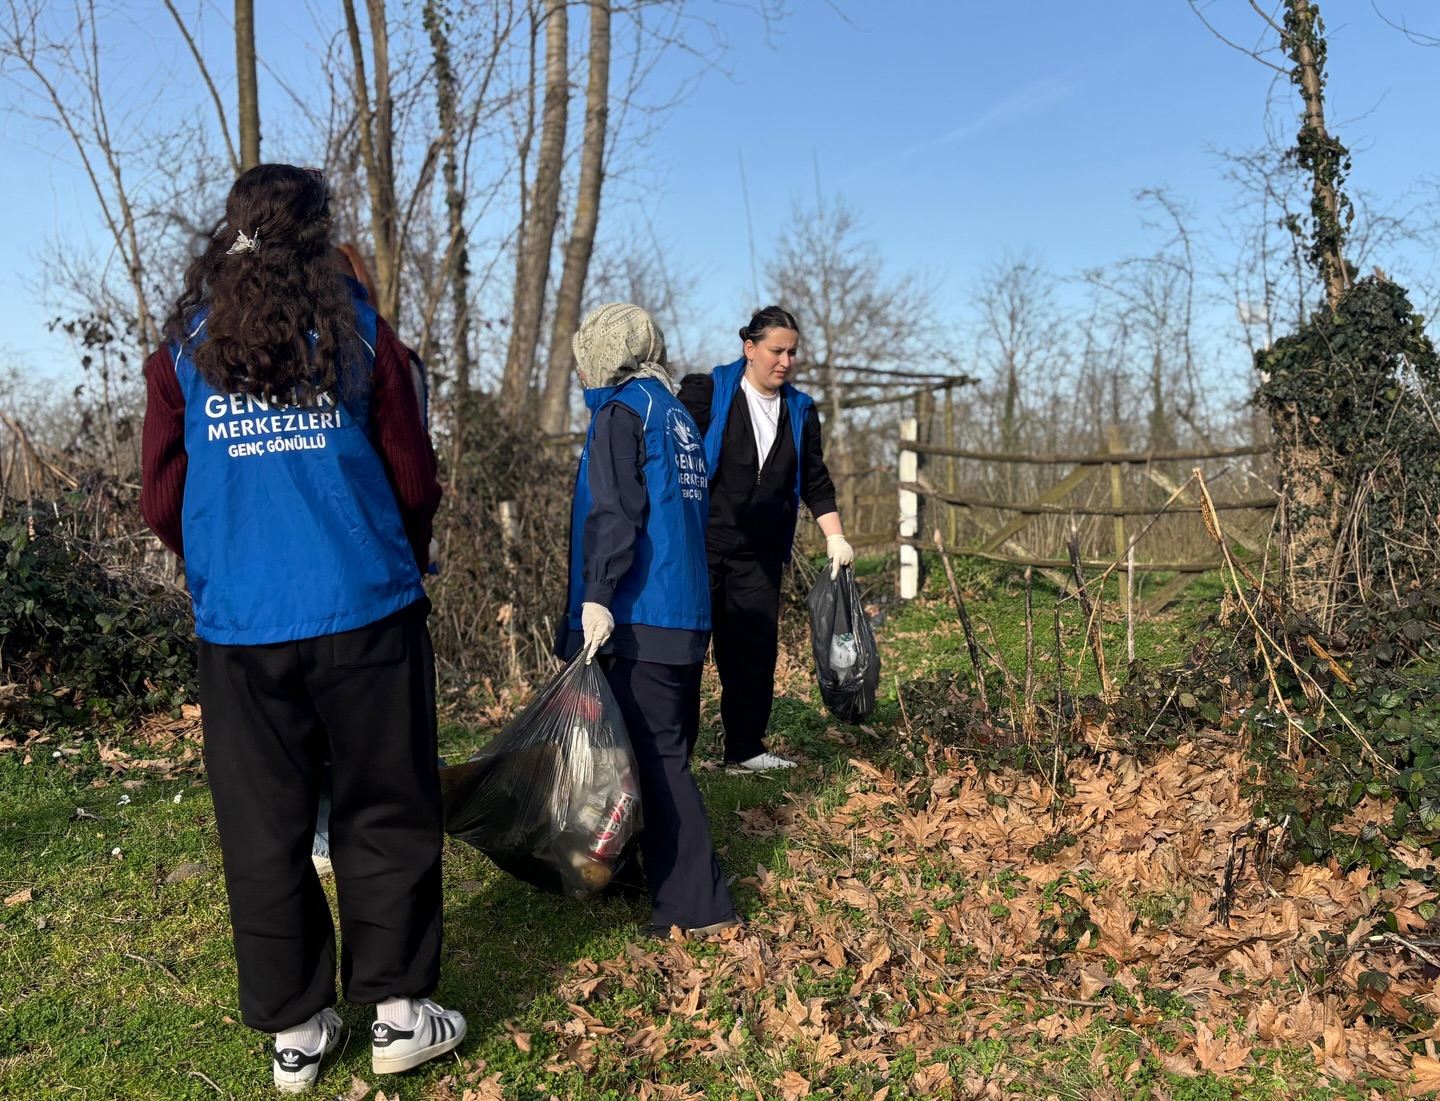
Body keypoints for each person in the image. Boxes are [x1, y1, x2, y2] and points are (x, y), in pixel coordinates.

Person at [139, 164, 464, 1093]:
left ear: (228, 234)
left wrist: (219, 554)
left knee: (263, 824)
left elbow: (163, 495)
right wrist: (396, 551)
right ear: (321, 238)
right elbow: (412, 476)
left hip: (241, 626)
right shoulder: (362, 333)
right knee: (386, 803)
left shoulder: (184, 349)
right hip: (365, 604)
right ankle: (401, 1015)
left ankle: (295, 1029)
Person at [557, 302, 737, 940]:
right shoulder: (674, 413)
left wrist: (598, 592)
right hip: (684, 614)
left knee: (657, 760)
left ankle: (698, 903)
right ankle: (633, 870)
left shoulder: (621, 412)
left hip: (641, 611)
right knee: (653, 751)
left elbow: (616, 509)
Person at [677, 306, 855, 773]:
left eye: (793, 351)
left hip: (760, 556)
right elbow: (671, 464)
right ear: (749, 348)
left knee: (753, 654)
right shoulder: (708, 393)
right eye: (777, 350)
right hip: (701, 551)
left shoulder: (799, 410)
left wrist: (835, 537)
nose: (786, 360)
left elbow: (815, 480)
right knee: (687, 655)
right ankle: (674, 756)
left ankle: (745, 750)